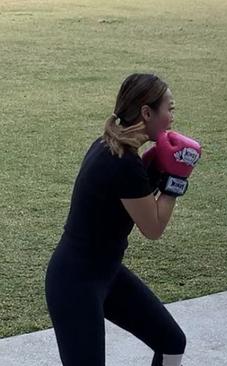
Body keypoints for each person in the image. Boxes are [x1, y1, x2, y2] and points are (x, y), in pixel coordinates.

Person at [45, 73, 201, 366]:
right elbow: (153, 228)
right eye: (169, 108)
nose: (171, 117)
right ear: (146, 112)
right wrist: (175, 181)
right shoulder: (123, 163)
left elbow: (129, 194)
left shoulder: (109, 145)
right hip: (75, 284)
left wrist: (155, 169)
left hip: (106, 273)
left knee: (171, 342)